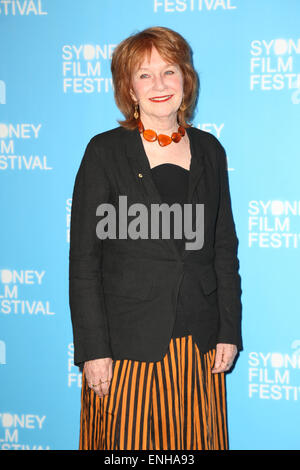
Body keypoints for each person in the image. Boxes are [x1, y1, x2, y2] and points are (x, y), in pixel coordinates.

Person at [69, 26, 243, 451]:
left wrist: (229, 331)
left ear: (186, 79)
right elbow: (84, 261)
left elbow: (223, 248)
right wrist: (94, 350)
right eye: (144, 75)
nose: (159, 85)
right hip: (128, 351)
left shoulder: (210, 151)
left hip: (197, 348)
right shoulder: (105, 152)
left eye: (169, 71)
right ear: (128, 89)